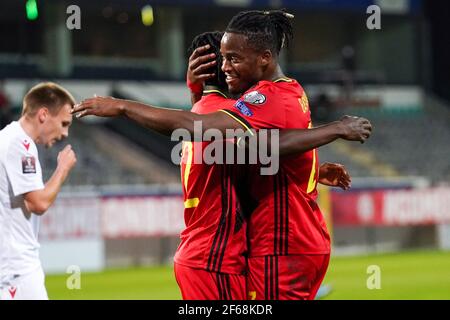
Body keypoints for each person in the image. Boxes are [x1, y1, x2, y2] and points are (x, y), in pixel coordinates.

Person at [72, 12, 371, 300]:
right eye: (225, 58)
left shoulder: (257, 101)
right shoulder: (290, 91)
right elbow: (251, 148)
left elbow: (214, 132)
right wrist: (313, 168)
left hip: (271, 248)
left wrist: (124, 107)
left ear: (264, 58)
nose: (228, 66)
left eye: (234, 58)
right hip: (266, 248)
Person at [0, 82, 77, 300]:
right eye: (63, 123)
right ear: (43, 114)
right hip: (18, 271)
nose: (65, 133)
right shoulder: (20, 145)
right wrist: (62, 168)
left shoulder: (7, 137)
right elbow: (38, 203)